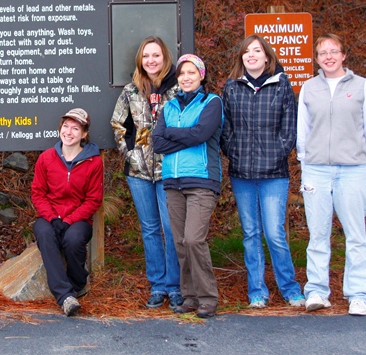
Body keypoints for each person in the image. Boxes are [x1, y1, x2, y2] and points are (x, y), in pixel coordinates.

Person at [297, 33, 366, 316]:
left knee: (355, 235)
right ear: (317, 59)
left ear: (344, 55)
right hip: (317, 171)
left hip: (353, 170)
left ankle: (357, 294)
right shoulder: (309, 88)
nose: (328, 57)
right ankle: (317, 291)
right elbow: (303, 132)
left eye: (334, 51)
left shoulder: (362, 87)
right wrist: (305, 164)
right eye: (322, 53)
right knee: (318, 234)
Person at [220, 35, 304, 309]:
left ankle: (290, 288)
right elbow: (226, 128)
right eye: (247, 51)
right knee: (251, 233)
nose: (251, 55)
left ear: (267, 57)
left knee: (275, 233)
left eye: (257, 50)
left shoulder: (281, 85)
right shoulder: (232, 87)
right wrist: (234, 151)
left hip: (274, 174)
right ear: (241, 58)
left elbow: (289, 129)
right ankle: (257, 291)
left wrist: (276, 154)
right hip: (242, 173)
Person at [110, 36, 183, 309]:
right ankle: (158, 285)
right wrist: (130, 154)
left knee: (171, 228)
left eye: (156, 55)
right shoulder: (131, 91)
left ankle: (175, 286)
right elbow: (118, 123)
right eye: (146, 56)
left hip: (170, 172)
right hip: (139, 172)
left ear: (165, 58)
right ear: (140, 60)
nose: (151, 60)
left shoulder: (177, 89)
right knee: (150, 229)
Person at [152, 54, 223, 319]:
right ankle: (190, 296)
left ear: (201, 75)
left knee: (194, 239)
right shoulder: (169, 107)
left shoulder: (212, 102)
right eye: (182, 73)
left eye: (192, 72)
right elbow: (157, 143)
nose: (186, 77)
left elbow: (203, 134)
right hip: (173, 180)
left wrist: (173, 133)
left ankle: (208, 297)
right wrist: (187, 135)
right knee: (180, 242)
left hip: (202, 179)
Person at [31, 108, 104, 317]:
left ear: (84, 134)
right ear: (60, 129)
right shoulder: (46, 158)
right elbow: (38, 193)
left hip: (78, 218)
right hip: (49, 216)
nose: (69, 132)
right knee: (45, 234)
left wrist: (69, 220)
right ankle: (65, 296)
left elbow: (93, 200)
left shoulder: (94, 162)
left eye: (75, 128)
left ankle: (78, 283)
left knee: (73, 239)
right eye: (66, 126)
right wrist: (53, 218)